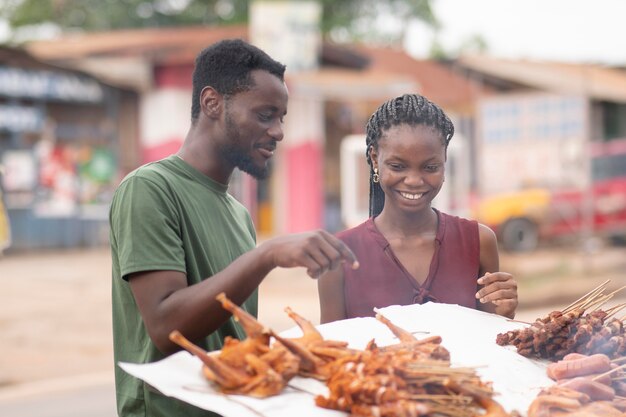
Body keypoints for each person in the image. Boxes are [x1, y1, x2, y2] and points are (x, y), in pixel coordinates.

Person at [109, 39, 358, 417]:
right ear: (212, 103)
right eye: (265, 115)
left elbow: (229, 335)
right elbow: (166, 326)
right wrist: (267, 255)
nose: (278, 132)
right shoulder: (149, 189)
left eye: (282, 118)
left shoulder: (239, 215)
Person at [318, 93, 517, 323]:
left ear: (445, 161)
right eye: (397, 166)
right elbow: (331, 352)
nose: (413, 180)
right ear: (374, 160)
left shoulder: (478, 241)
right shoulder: (338, 256)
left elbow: (493, 340)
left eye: (430, 167)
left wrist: (504, 313)